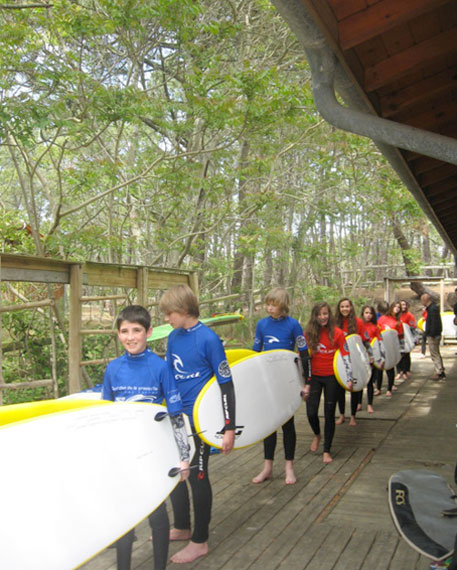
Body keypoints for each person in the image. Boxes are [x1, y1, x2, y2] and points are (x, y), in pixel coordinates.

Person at [102, 305, 191, 570]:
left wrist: (184, 457)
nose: (131, 337)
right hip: (123, 456)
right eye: (125, 331)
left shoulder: (160, 368)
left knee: (157, 515)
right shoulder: (113, 369)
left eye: (137, 331)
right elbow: (106, 417)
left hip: (152, 454)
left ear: (148, 332)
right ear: (118, 334)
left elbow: (175, 415)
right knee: (124, 519)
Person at [159, 284, 236, 564]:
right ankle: (182, 526)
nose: (166, 319)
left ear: (183, 309)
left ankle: (200, 541)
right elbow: (170, 377)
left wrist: (229, 427)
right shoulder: (174, 338)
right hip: (177, 419)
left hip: (202, 422)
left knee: (198, 477)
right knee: (176, 474)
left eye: (169, 313)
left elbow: (227, 386)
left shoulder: (209, 340)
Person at [250, 287, 310, 485]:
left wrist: (306, 382)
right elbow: (255, 354)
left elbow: (303, 355)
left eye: (273, 305)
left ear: (282, 306)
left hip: (287, 381)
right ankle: (267, 467)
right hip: (268, 381)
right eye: (267, 304)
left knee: (287, 424)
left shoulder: (293, 325)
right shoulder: (262, 325)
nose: (268, 308)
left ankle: (289, 468)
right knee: (269, 426)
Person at [303, 302, 352, 464]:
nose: (323, 317)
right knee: (311, 412)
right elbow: (303, 358)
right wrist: (304, 382)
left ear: (329, 315)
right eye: (319, 314)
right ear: (314, 316)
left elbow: (346, 355)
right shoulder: (309, 333)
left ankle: (327, 450)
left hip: (332, 377)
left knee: (329, 413)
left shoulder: (337, 333)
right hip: (315, 377)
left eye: (325, 314)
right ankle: (317, 434)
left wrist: (349, 378)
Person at [334, 298, 364, 426]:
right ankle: (341, 415)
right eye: (342, 307)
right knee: (340, 389)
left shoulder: (358, 322)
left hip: (355, 359)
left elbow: (362, 342)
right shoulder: (334, 323)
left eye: (347, 306)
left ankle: (353, 416)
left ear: (351, 307)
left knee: (354, 388)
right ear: (339, 308)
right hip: (340, 359)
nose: (345, 309)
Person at [359, 305, 385, 414]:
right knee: (360, 382)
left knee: (370, 382)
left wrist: (381, 359)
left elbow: (380, 343)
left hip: (371, 358)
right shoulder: (358, 326)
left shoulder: (375, 327)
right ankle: (359, 403)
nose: (368, 315)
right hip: (360, 358)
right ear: (362, 314)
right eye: (366, 313)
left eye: (370, 313)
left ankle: (369, 404)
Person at [377, 301, 402, 397]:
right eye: (395, 307)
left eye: (398, 307)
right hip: (381, 346)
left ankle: (389, 388)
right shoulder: (382, 319)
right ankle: (378, 388)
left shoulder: (398, 322)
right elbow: (377, 331)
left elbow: (400, 336)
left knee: (390, 367)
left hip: (391, 347)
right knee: (380, 368)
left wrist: (401, 349)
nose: (397, 309)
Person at [421, 293, 446, 380]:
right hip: (434, 334)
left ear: (425, 300)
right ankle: (440, 369)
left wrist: (431, 334)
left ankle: (439, 371)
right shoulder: (432, 308)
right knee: (436, 353)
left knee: (434, 353)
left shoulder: (432, 309)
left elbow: (434, 323)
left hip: (433, 335)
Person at [398, 299, 416, 378]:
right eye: (402, 305)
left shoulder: (409, 315)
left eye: (405, 305)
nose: (404, 307)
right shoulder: (397, 315)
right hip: (399, 337)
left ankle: (406, 370)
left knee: (406, 354)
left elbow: (413, 328)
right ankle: (400, 371)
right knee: (399, 355)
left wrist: (414, 339)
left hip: (407, 337)